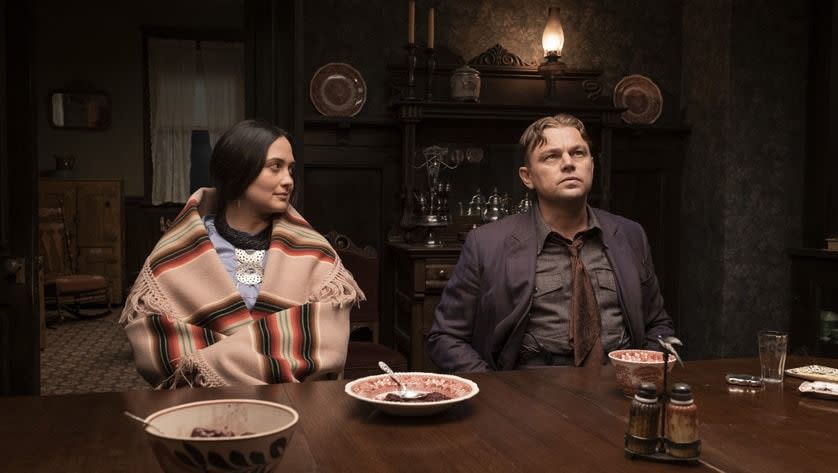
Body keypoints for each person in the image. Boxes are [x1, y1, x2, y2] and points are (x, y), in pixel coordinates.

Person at [120, 119, 363, 388]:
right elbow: (155, 344)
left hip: (293, 403)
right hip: (199, 403)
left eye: (291, 170)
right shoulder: (181, 251)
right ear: (239, 170)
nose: (288, 181)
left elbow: (327, 341)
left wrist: (217, 358)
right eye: (275, 167)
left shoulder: (313, 252)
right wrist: (261, 354)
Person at [426, 113, 674, 373]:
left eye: (578, 153)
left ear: (592, 164)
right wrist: (497, 390)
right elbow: (445, 338)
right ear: (527, 176)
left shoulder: (630, 235)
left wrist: (642, 376)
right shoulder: (486, 244)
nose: (568, 163)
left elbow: (658, 325)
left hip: (618, 395)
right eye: (551, 156)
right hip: (527, 403)